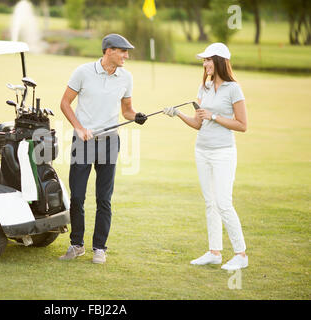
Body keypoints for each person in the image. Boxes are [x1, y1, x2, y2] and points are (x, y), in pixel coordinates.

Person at [59, 34, 147, 264]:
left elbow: (127, 110)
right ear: (109, 51)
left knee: (104, 198)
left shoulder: (126, 77)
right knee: (77, 196)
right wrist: (78, 128)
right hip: (84, 141)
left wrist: (136, 116)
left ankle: (99, 248)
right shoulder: (83, 72)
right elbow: (65, 103)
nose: (127, 56)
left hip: (109, 142)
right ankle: (76, 245)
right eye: (123, 51)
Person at [164, 43, 248, 270]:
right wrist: (178, 113)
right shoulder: (205, 87)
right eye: (203, 60)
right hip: (202, 151)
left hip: (223, 153)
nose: (205, 64)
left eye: (208, 60)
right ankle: (214, 252)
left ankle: (241, 254)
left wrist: (215, 116)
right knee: (210, 203)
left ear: (220, 61)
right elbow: (198, 123)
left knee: (223, 202)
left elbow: (242, 125)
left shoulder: (233, 89)